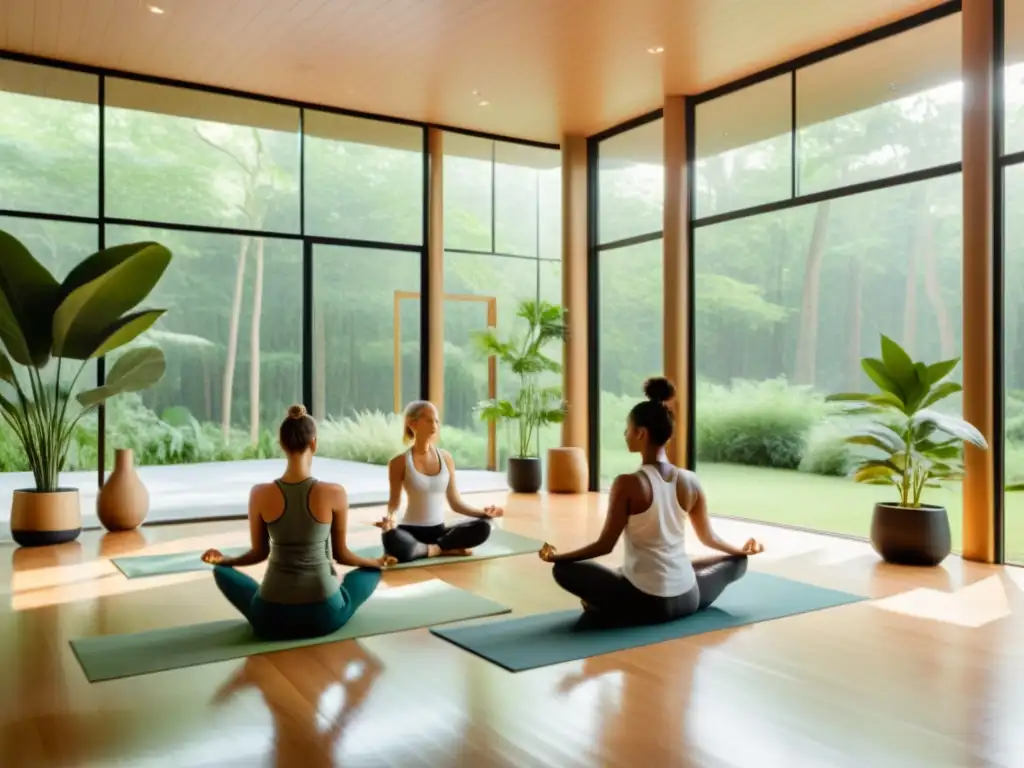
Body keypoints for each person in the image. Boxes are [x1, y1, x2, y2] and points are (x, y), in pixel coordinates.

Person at [538, 377, 763, 627]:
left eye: (628, 429)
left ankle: (606, 607)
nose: (625, 434)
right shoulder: (691, 480)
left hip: (646, 602)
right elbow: (710, 538)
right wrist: (739, 551)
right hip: (689, 597)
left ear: (641, 433)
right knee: (736, 562)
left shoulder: (628, 483)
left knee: (564, 571)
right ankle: (624, 599)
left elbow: (604, 545)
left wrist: (558, 557)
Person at [201, 404, 395, 641]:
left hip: (270, 618)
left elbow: (258, 553)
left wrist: (225, 560)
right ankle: (350, 582)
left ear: (282, 445)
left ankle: (252, 596)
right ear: (314, 444)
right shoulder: (334, 493)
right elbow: (342, 555)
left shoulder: (259, 494)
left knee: (222, 572)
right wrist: (375, 562)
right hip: (324, 616)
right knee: (369, 572)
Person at [374, 400, 504, 562]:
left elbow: (455, 502)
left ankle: (429, 549)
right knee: (390, 538)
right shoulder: (398, 462)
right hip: (409, 531)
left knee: (483, 527)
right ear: (412, 423)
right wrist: (390, 519)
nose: (434, 424)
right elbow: (394, 501)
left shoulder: (446, 458)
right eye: (429, 420)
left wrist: (483, 514)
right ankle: (444, 549)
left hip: (439, 532)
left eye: (436, 420)